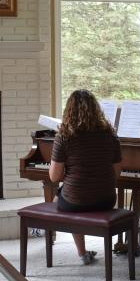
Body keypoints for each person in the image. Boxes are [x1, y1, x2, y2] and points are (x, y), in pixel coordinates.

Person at [49, 89, 123, 264]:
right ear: (97, 109)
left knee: (64, 196)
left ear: (69, 110)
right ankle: (81, 251)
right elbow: (117, 172)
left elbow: (54, 177)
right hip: (106, 199)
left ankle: (81, 252)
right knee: (68, 194)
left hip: (76, 202)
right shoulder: (110, 134)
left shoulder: (64, 136)